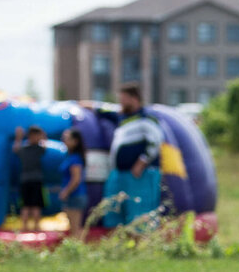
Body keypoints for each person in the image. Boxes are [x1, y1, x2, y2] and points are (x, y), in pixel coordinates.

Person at [98, 82, 162, 228]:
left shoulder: (146, 118)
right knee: (113, 209)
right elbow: (103, 111)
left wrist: (142, 162)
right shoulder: (122, 118)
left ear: (134, 99)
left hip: (141, 174)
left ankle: (142, 245)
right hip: (120, 173)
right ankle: (120, 245)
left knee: (140, 212)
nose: (120, 103)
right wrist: (85, 106)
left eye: (123, 99)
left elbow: (156, 141)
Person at [12, 125, 47, 232]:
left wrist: (19, 137)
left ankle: (36, 226)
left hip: (33, 180)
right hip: (29, 180)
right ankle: (25, 227)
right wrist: (18, 137)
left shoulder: (37, 149)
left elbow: (16, 149)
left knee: (35, 205)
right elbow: (16, 149)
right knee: (27, 205)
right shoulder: (29, 149)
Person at [58, 127, 88, 240]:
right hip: (74, 195)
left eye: (67, 138)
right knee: (73, 227)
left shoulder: (75, 158)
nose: (64, 141)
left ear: (75, 141)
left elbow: (76, 179)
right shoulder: (71, 156)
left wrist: (66, 191)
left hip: (75, 195)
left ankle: (79, 251)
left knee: (75, 228)